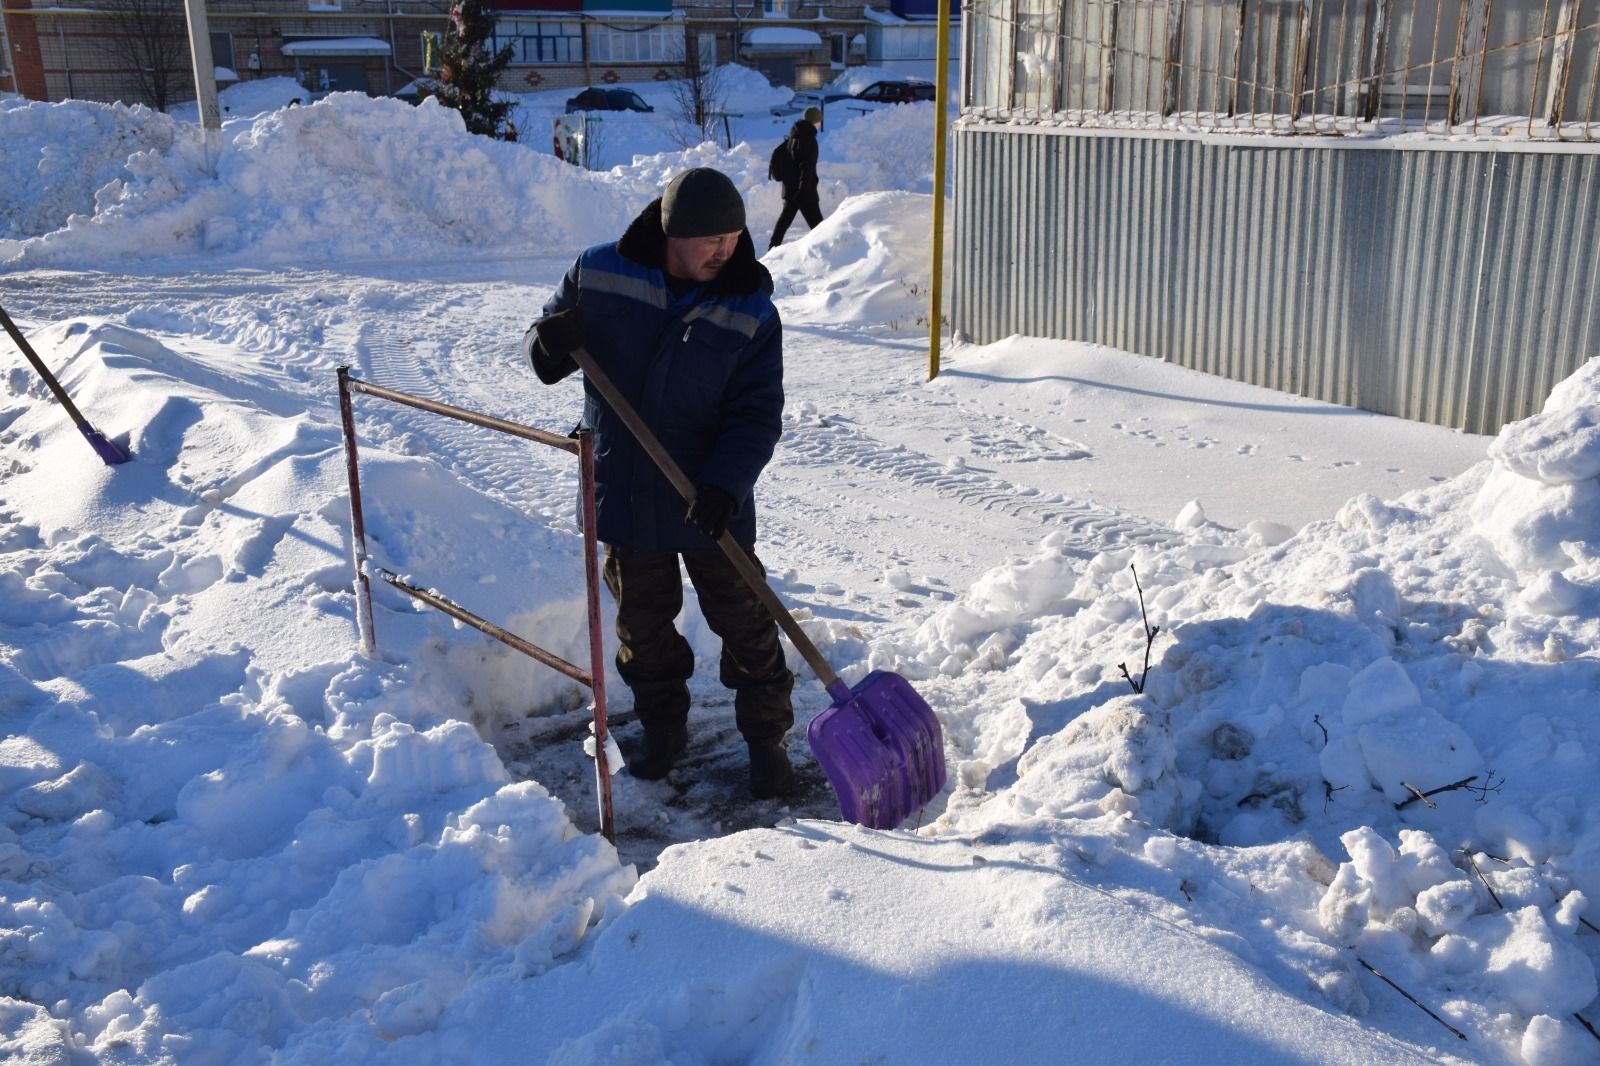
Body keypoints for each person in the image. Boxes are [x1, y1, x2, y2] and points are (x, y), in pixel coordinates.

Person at [523, 167, 796, 799]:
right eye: (710, 239)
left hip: (708, 497)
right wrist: (549, 345)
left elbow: (757, 414)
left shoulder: (750, 308)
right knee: (642, 630)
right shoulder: (600, 274)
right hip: (625, 487)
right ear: (671, 233)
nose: (724, 250)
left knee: (746, 620)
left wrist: (725, 487)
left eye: (733, 236)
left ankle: (766, 740)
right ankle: (663, 731)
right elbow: (545, 347)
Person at [769, 107, 824, 250]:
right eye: (819, 120)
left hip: (790, 188)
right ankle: (825, 251)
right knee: (820, 227)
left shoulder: (795, 135)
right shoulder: (809, 140)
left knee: (784, 222)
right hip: (804, 192)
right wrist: (803, 190)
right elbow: (807, 168)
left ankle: (772, 248)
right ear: (815, 121)